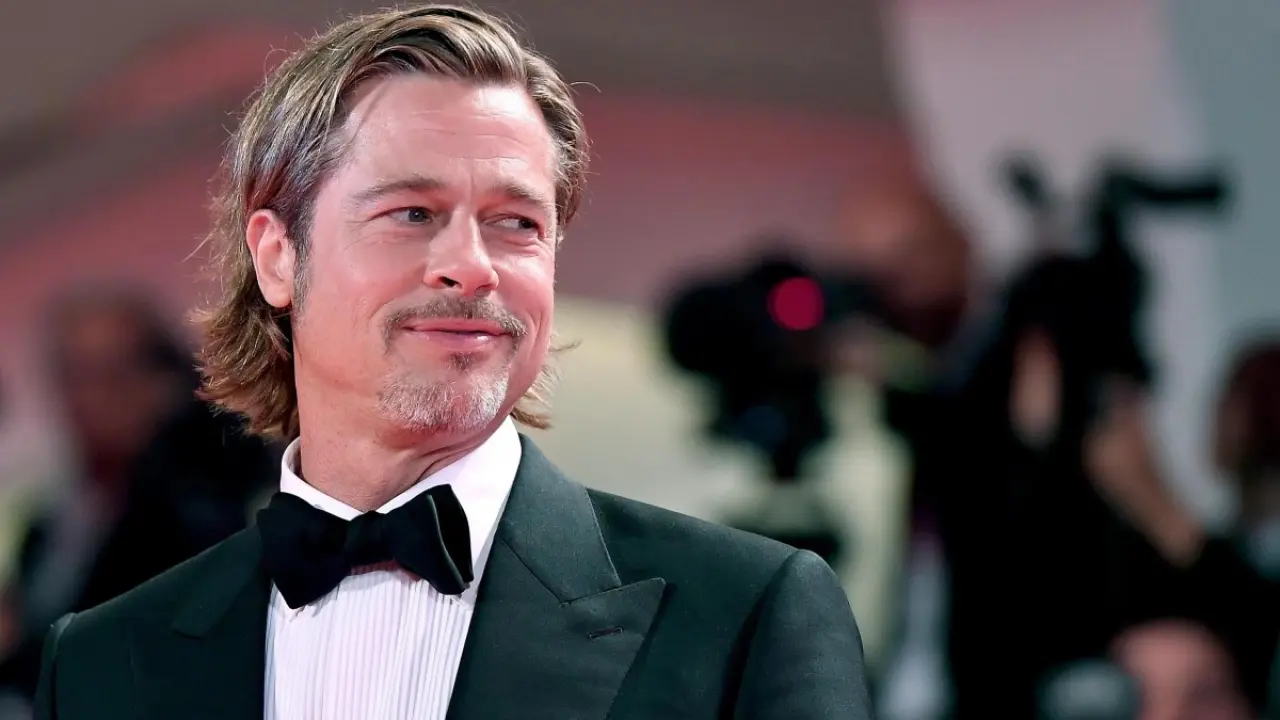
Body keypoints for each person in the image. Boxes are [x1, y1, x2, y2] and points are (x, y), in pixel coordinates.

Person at [32, 6, 872, 719]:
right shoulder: (105, 663)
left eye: (517, 223)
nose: (472, 266)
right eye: (412, 213)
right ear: (279, 257)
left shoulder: (743, 617)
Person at [0, 288, 277, 706]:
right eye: (73, 374)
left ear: (161, 381)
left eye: (110, 373)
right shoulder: (49, 524)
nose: (89, 398)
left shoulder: (199, 515)